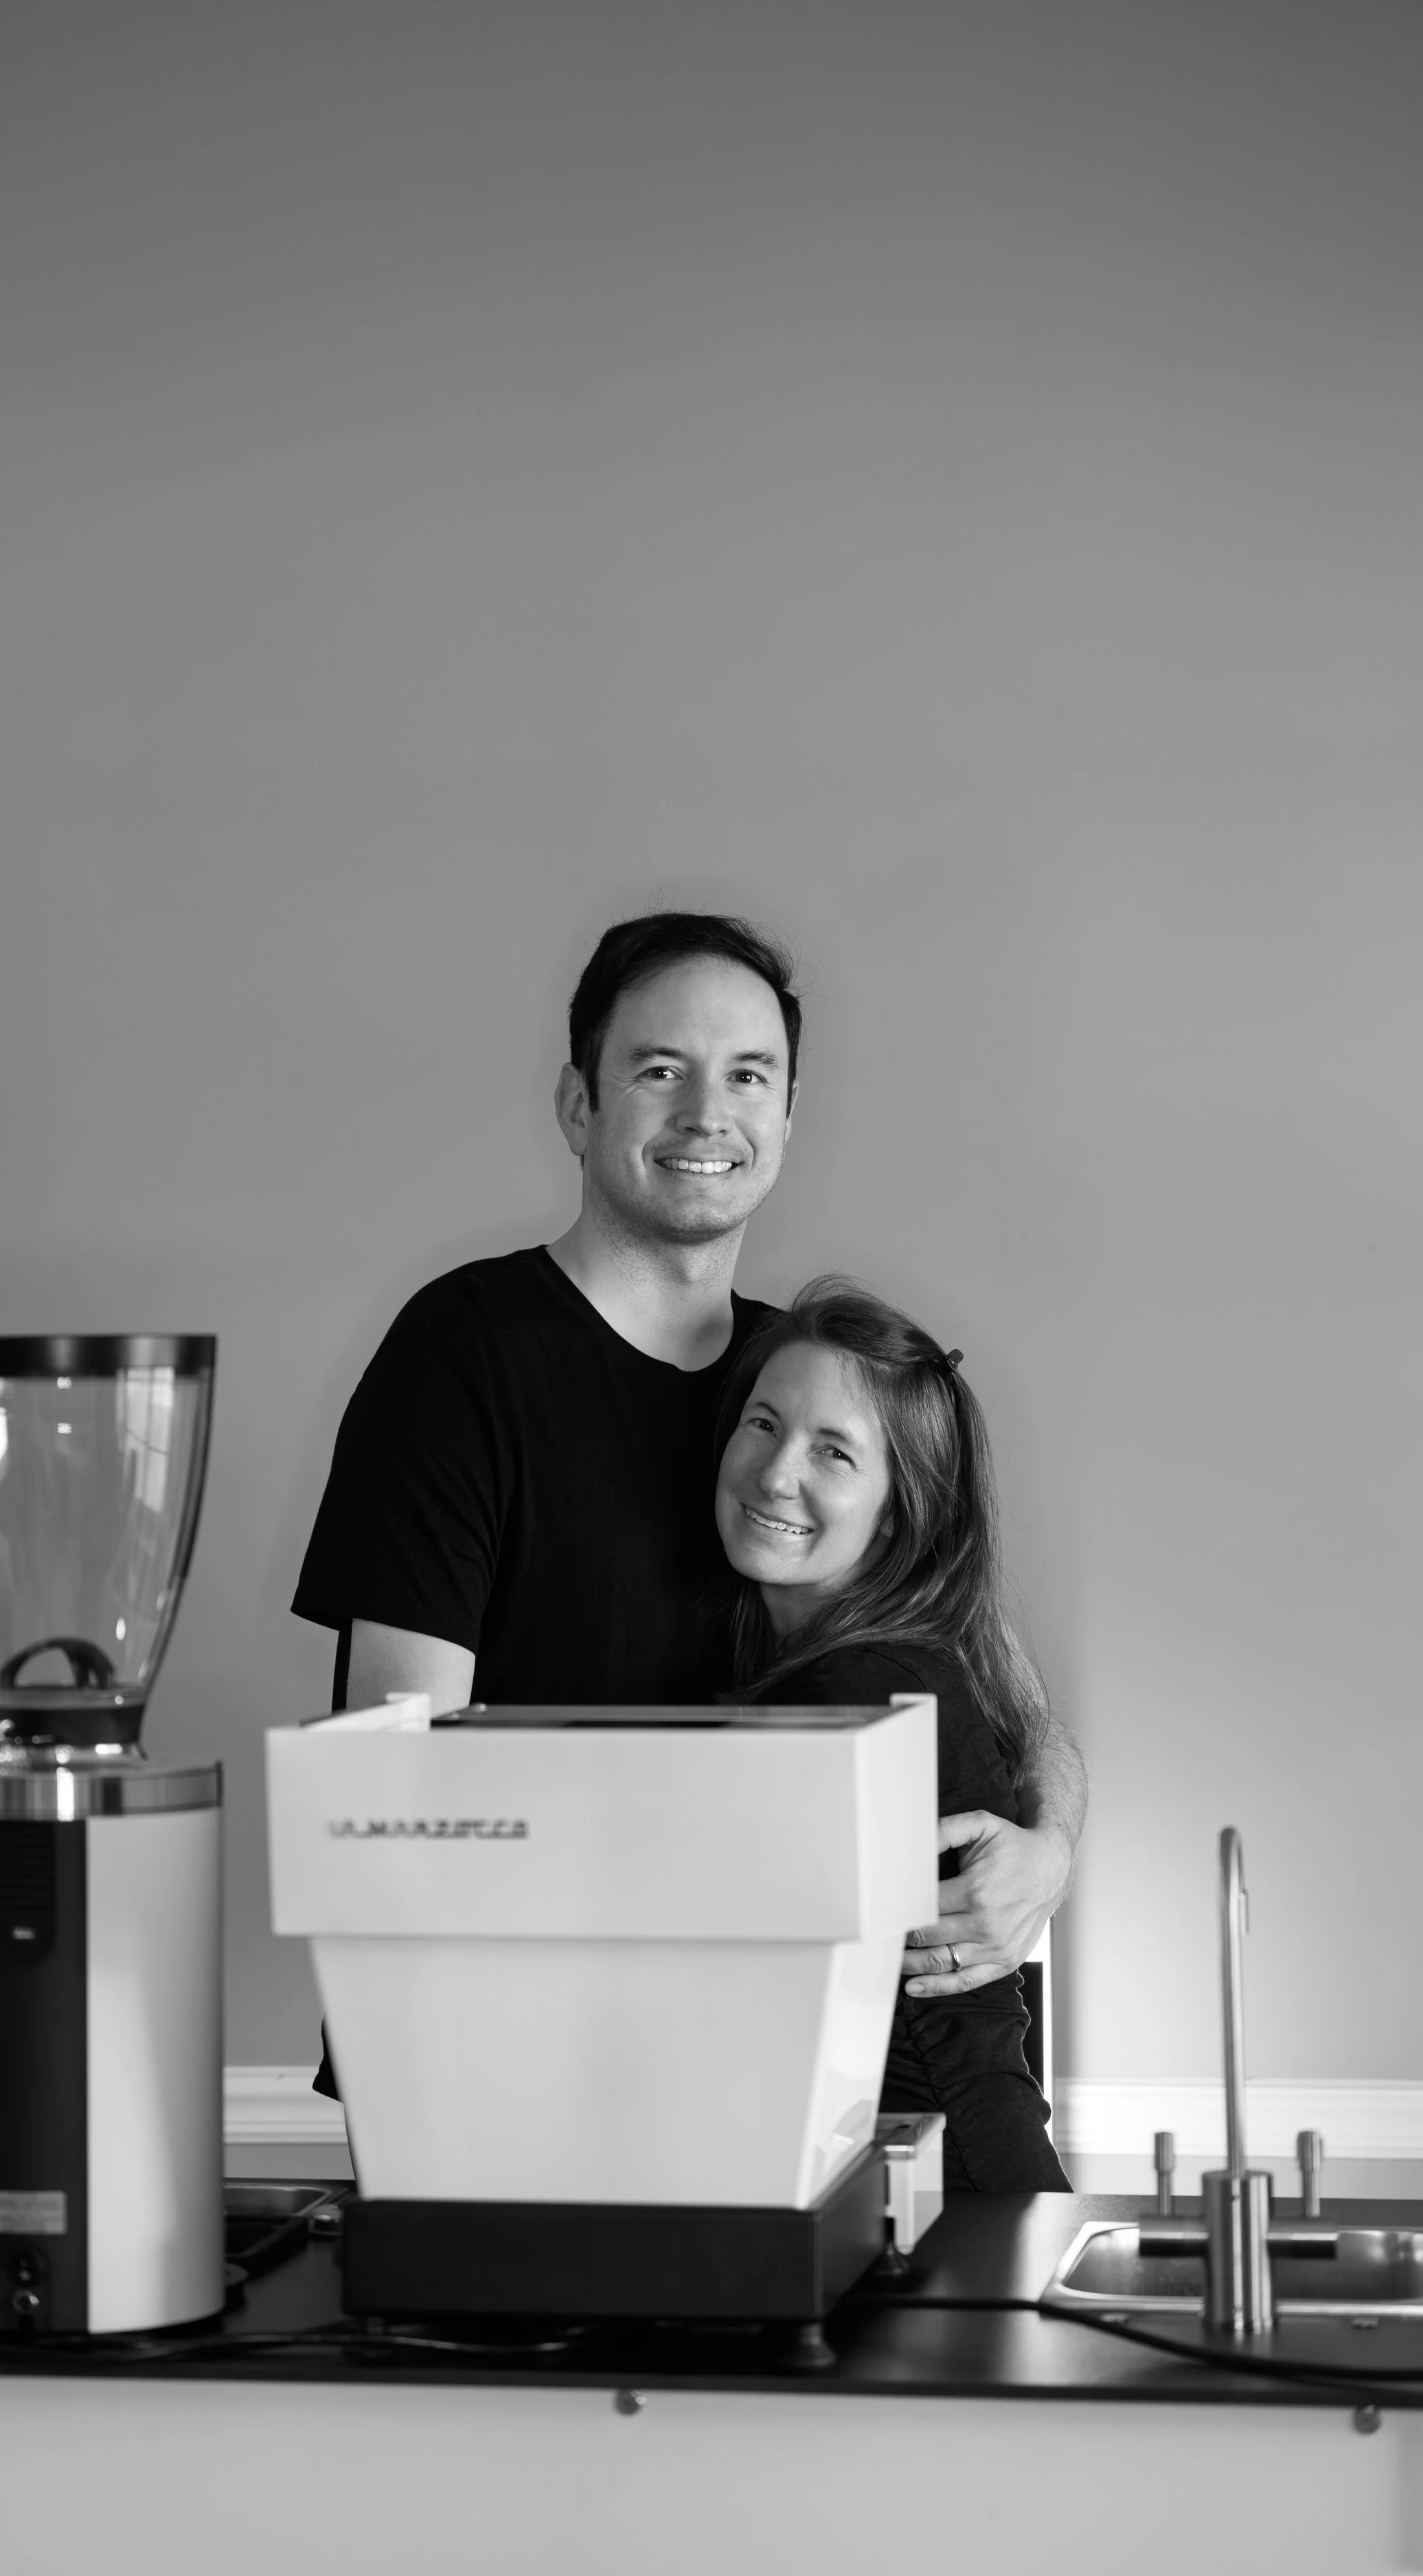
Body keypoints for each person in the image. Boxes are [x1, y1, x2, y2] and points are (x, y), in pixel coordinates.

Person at [294, 912, 1086, 2099]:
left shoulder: (804, 1381)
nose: (707, 1113)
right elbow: (392, 1794)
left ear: (785, 1116)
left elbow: (1011, 1699)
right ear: (579, 1105)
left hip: (748, 2086)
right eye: (659, 1069)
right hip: (495, 2061)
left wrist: (1051, 1851)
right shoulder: (462, 1357)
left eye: (748, 1076)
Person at [714, 1277, 1069, 2191]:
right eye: (763, 1422)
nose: (776, 1470)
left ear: (900, 1508)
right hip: (943, 2186)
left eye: (834, 1451)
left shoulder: (864, 1693)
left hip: (944, 2206)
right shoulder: (895, 1661)